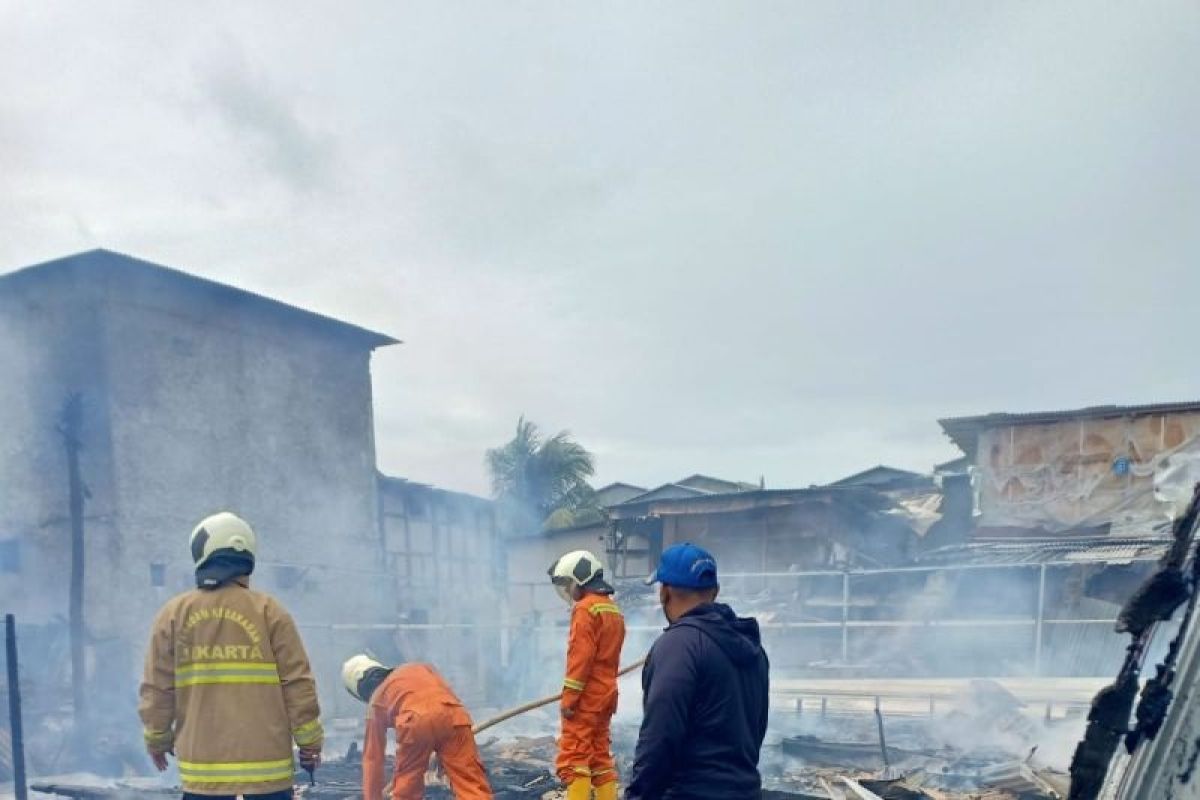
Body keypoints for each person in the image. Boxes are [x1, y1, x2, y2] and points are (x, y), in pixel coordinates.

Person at [139, 512, 323, 800]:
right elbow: (298, 684)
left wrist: (157, 738)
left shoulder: (173, 615)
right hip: (268, 777)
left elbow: (157, 688)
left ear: (203, 553)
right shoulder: (270, 611)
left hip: (203, 776)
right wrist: (310, 742)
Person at [625, 543, 770, 800]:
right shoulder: (753, 648)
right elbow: (756, 729)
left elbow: (659, 738)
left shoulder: (678, 645)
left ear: (664, 592)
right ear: (715, 591)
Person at [341, 654, 492, 800]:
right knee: (470, 783)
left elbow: (373, 759)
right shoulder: (418, 668)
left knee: (407, 788)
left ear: (361, 691)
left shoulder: (375, 702)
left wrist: (372, 797)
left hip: (416, 723)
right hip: (455, 717)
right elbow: (442, 698)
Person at [547, 550, 626, 800]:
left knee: (574, 757)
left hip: (586, 699)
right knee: (600, 756)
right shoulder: (612, 610)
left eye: (567, 584)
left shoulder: (585, 609)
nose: (567, 592)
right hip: (606, 696)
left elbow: (580, 659)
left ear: (578, 580)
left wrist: (569, 700)